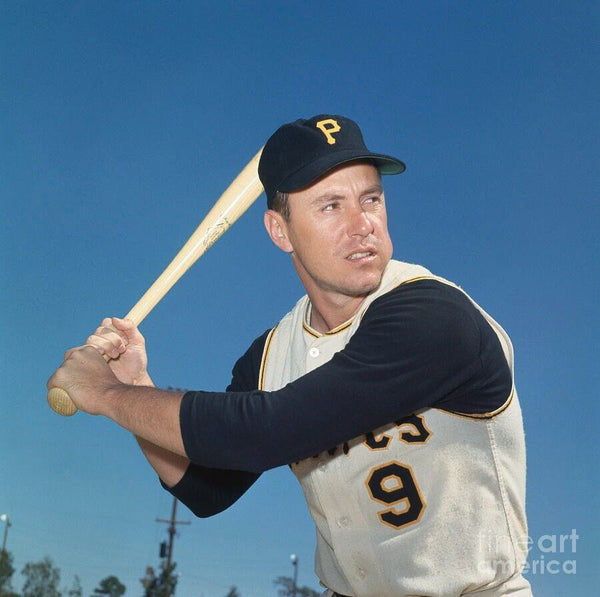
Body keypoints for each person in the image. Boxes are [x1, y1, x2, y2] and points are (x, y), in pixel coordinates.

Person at [48, 114, 532, 596]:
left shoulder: (433, 316)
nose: (362, 224)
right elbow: (207, 489)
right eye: (331, 206)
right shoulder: (272, 354)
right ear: (280, 232)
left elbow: (267, 430)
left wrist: (105, 393)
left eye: (371, 199)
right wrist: (135, 386)